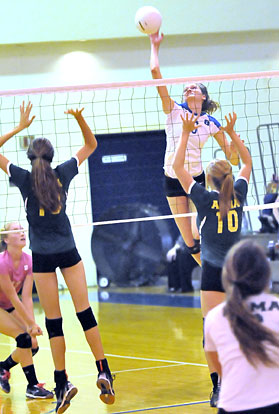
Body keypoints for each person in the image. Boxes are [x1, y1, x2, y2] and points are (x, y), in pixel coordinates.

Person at [0, 102, 115, 413]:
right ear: (51, 156)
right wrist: (80, 119)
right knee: (85, 313)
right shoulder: (63, 172)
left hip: (43, 258)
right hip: (68, 251)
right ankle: (103, 368)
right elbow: (92, 144)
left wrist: (19, 128)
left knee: (54, 323)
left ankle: (62, 381)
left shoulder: (23, 178)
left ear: (31, 157)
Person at [172, 111, 252, 406]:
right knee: (240, 326)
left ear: (209, 180)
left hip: (213, 273)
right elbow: (247, 163)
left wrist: (184, 134)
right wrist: (230, 133)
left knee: (211, 328)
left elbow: (178, 167)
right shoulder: (239, 193)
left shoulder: (204, 199)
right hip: (238, 272)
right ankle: (242, 379)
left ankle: (218, 387)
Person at [149, 31, 239, 265]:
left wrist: (233, 137)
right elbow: (155, 73)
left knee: (199, 232)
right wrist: (154, 45)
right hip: (172, 177)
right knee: (190, 244)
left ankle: (219, 276)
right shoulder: (173, 110)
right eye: (186, 88)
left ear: (203, 96)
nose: (188, 89)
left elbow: (234, 158)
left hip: (195, 179)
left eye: (194, 88)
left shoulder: (211, 123)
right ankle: (215, 276)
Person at [205, 239, 279, 413]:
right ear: (265, 273)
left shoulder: (214, 317)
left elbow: (220, 368)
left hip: (233, 406)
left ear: (228, 275)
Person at [0, 221, 53, 399]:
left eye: (22, 229)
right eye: (16, 230)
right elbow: (13, 297)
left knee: (33, 344)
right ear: (6, 239)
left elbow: (26, 297)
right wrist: (29, 325)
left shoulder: (29, 260)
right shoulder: (1, 263)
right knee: (23, 338)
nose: (22, 232)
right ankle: (32, 386)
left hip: (7, 305)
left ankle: (3, 367)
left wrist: (32, 324)